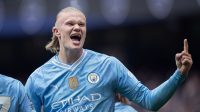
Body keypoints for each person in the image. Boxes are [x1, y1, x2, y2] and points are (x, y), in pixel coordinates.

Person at [25, 7, 193, 112]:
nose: (77, 27)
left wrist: (179, 75)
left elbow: (150, 101)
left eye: (82, 24)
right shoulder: (37, 79)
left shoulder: (108, 65)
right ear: (57, 32)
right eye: (70, 24)